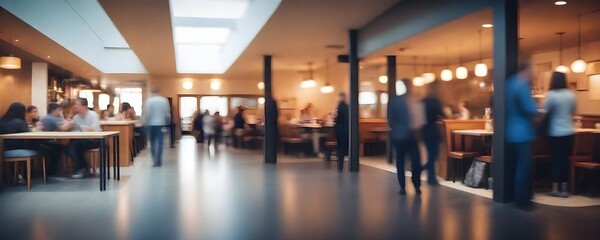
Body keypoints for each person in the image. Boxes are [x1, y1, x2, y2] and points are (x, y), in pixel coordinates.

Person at [505, 62, 538, 209]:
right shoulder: (522, 85)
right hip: (522, 132)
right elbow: (530, 108)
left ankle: (516, 197)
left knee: (516, 166)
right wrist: (539, 107)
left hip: (509, 131)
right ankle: (522, 200)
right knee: (524, 167)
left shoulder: (509, 84)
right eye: (532, 69)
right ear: (526, 69)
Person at [388, 80, 423, 195]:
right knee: (413, 161)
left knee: (403, 161)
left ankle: (405, 186)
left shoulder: (395, 101)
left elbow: (391, 119)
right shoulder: (413, 100)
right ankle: (413, 185)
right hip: (408, 135)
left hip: (402, 136)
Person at [544, 72, 575, 198]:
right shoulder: (571, 95)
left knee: (556, 159)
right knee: (565, 159)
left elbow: (545, 110)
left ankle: (555, 188)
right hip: (569, 132)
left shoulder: (551, 95)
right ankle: (565, 189)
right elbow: (573, 111)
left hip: (555, 132)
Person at [67, 98, 102, 179]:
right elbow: (73, 129)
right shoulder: (76, 117)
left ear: (84, 106)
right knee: (68, 147)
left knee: (74, 145)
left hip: (95, 140)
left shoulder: (93, 115)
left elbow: (93, 129)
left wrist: (82, 129)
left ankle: (81, 168)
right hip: (82, 140)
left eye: (76, 104)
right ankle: (83, 168)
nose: (74, 106)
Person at [39, 103, 72, 175]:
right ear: (54, 110)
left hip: (41, 142)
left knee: (60, 145)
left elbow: (62, 123)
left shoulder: (45, 118)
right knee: (60, 146)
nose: (60, 111)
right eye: (59, 110)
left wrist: (62, 118)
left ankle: (53, 170)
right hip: (47, 143)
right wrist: (71, 123)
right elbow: (62, 128)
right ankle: (52, 170)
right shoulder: (52, 118)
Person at [422, 82, 445, 185]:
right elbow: (443, 114)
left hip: (424, 130)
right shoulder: (436, 102)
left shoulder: (423, 101)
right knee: (434, 155)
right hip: (433, 130)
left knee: (430, 154)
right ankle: (425, 171)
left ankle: (430, 177)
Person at [144, 89, 171, 167]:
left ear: (152, 93)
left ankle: (154, 160)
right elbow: (167, 114)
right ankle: (159, 160)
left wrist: (146, 123)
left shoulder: (149, 101)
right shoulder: (164, 100)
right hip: (161, 124)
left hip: (151, 124)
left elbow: (147, 113)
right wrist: (167, 124)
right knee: (160, 143)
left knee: (152, 142)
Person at [334, 93, 349, 171]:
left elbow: (337, 118)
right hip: (346, 130)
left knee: (340, 147)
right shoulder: (347, 107)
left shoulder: (340, 106)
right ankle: (342, 164)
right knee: (343, 147)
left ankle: (340, 165)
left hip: (340, 130)